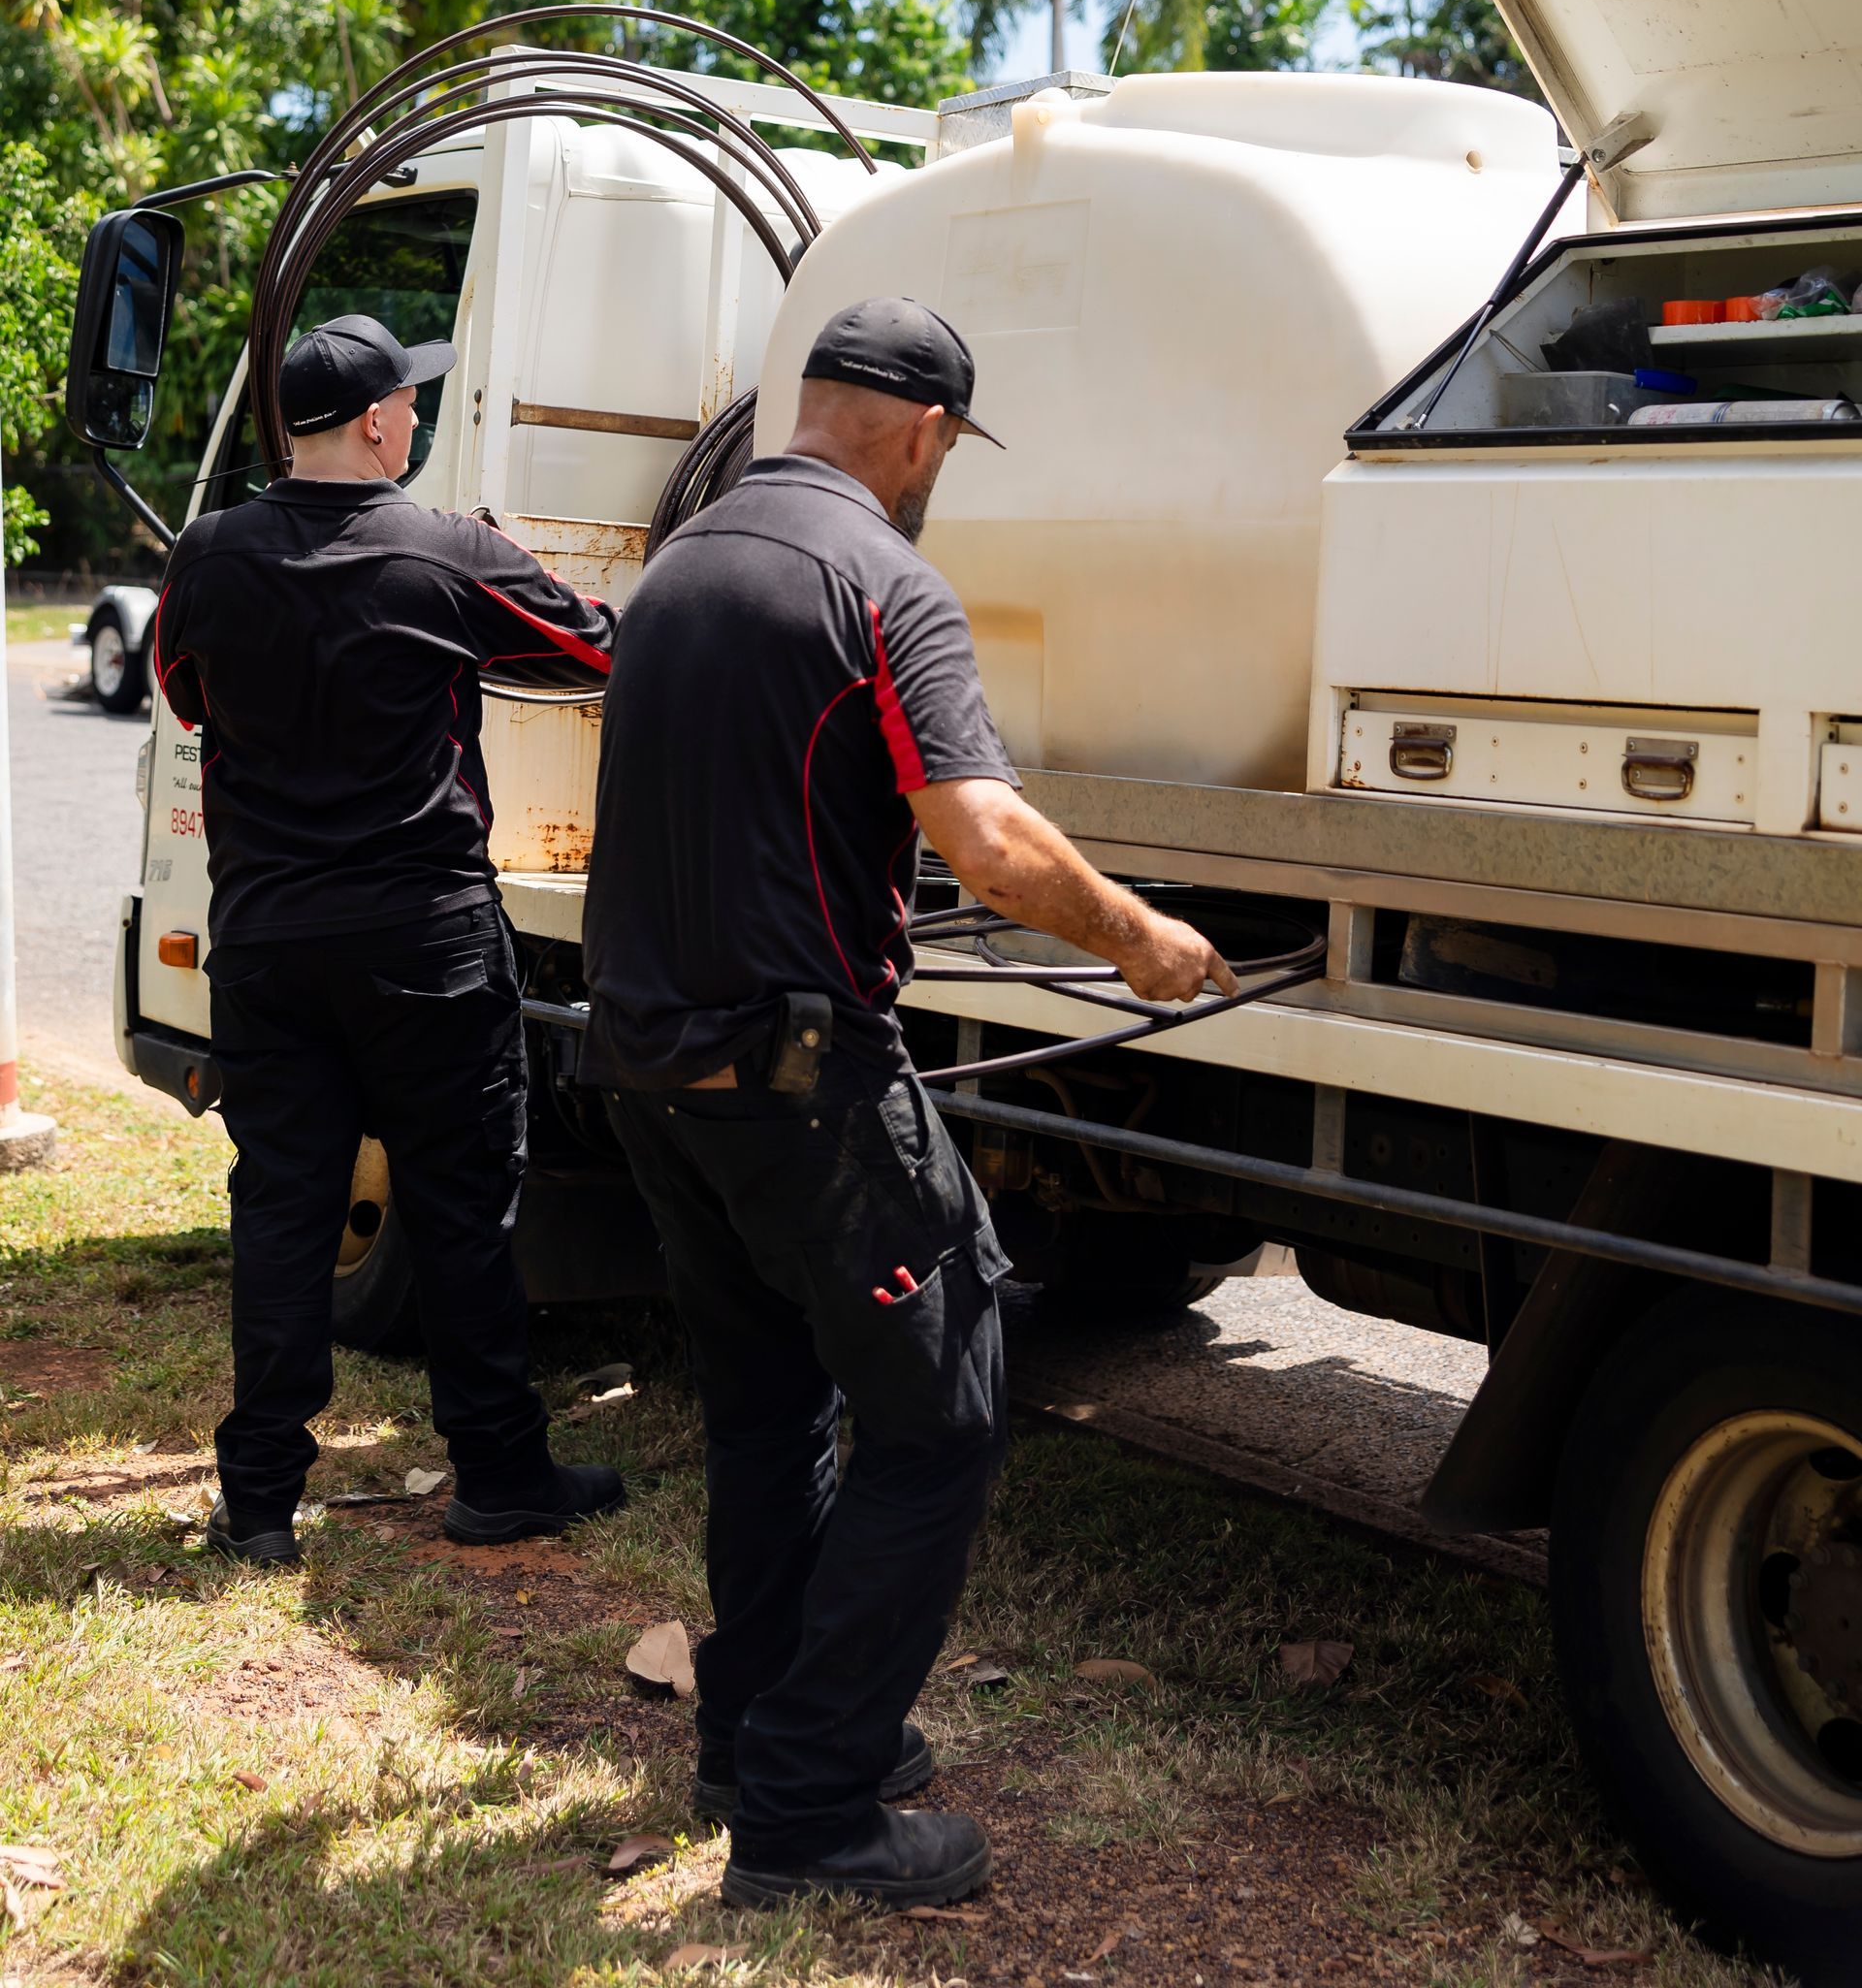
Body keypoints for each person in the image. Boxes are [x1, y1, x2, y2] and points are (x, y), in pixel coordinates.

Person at [580, 295, 1237, 1911]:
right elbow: (990, 843)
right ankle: (808, 1815)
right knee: (941, 1413)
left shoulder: (677, 571)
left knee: (771, 1407)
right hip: (803, 1087)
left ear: (810, 405)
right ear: (928, 434)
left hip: (655, 1077)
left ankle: (760, 1736)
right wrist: (1146, 938)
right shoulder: (885, 580)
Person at [151, 311, 627, 1568]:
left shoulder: (208, 556)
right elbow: (597, 650)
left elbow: (183, 690)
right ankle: (500, 1477)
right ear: (373, 422)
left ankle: (257, 1508)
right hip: (426, 943)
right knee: (463, 1211)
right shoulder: (449, 555)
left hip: (270, 944)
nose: (416, 416)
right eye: (408, 402)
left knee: (282, 1214)